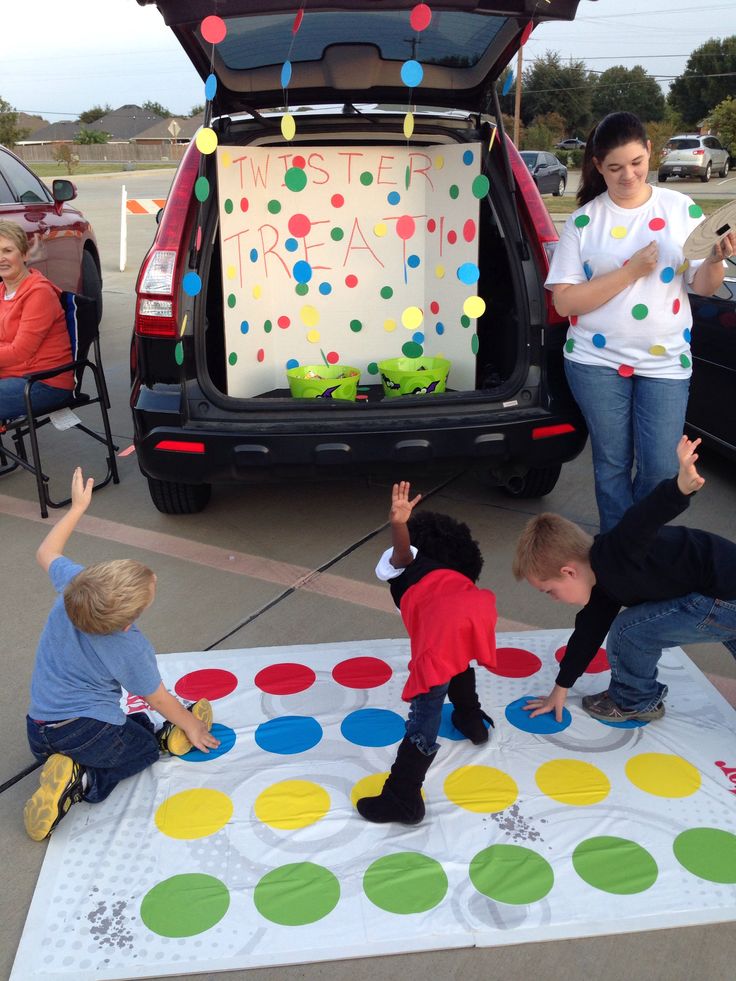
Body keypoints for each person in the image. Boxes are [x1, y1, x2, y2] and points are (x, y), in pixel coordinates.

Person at [546, 112, 736, 532]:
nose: (627, 175)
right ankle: (619, 555)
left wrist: (718, 260)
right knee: (612, 464)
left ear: (650, 150)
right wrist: (629, 273)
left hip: (665, 361)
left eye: (636, 162)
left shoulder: (679, 208)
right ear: (597, 166)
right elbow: (564, 302)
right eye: (614, 167)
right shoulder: (583, 222)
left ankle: (647, 550)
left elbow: (702, 286)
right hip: (596, 363)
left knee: (659, 468)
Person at [23, 467, 220, 841]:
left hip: (38, 730)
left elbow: (46, 551)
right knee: (141, 752)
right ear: (128, 622)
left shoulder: (75, 588)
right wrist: (191, 725)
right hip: (84, 734)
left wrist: (78, 507)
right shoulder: (129, 646)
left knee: (129, 725)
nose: (155, 582)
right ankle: (83, 781)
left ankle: (82, 759)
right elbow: (157, 697)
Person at [512, 435, 736, 724]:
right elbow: (587, 634)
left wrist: (680, 487)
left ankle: (636, 701)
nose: (553, 599)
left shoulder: (616, 551)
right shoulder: (603, 587)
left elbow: (643, 518)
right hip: (722, 593)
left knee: (630, 631)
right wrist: (560, 688)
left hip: (722, 596)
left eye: (549, 591)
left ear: (569, 571)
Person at [356, 481, 497, 825]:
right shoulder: (452, 572)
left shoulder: (407, 564)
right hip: (478, 607)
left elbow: (402, 553)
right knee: (458, 660)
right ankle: (471, 720)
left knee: (426, 705)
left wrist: (398, 524)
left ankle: (403, 796)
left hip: (443, 625)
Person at [0, 219, 77, 422]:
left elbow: (20, 351)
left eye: (8, 251)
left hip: (43, 383)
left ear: (24, 254)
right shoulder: (1, 292)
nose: (1, 258)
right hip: (12, 376)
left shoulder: (38, 293)